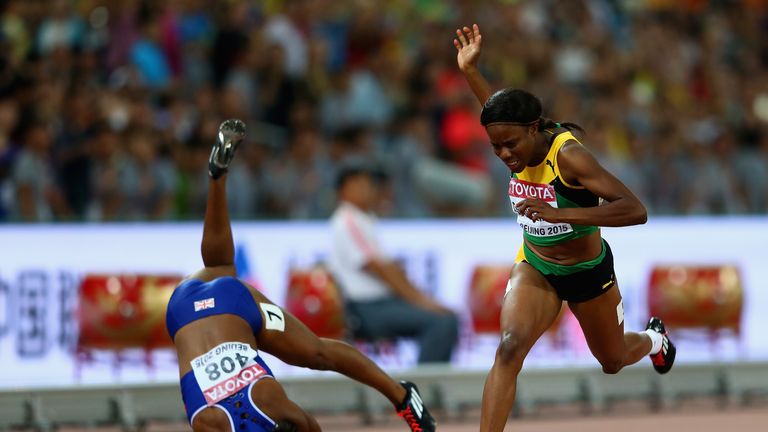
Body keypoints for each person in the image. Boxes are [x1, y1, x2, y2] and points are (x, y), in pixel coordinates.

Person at [452, 24, 677, 431]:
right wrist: (471, 72)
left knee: (611, 361)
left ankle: (654, 340)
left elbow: (635, 209)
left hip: (587, 274)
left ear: (534, 129)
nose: (504, 154)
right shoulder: (512, 130)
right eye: (495, 147)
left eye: (511, 145)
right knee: (508, 350)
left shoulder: (570, 157)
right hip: (536, 266)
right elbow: (497, 114)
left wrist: (563, 215)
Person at [165, 120, 436, 432]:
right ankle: (217, 179)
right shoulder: (215, 421)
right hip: (183, 305)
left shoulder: (275, 407)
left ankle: (402, 397)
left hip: (230, 303)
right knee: (223, 271)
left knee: (318, 353)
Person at [329, 166, 459, 364]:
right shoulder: (348, 219)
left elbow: (388, 268)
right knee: (441, 323)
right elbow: (381, 269)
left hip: (380, 303)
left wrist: (422, 300)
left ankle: (429, 386)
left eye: (368, 184)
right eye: (358, 184)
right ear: (343, 190)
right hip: (363, 309)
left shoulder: (364, 219)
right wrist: (423, 302)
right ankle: (423, 389)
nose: (366, 189)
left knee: (446, 320)